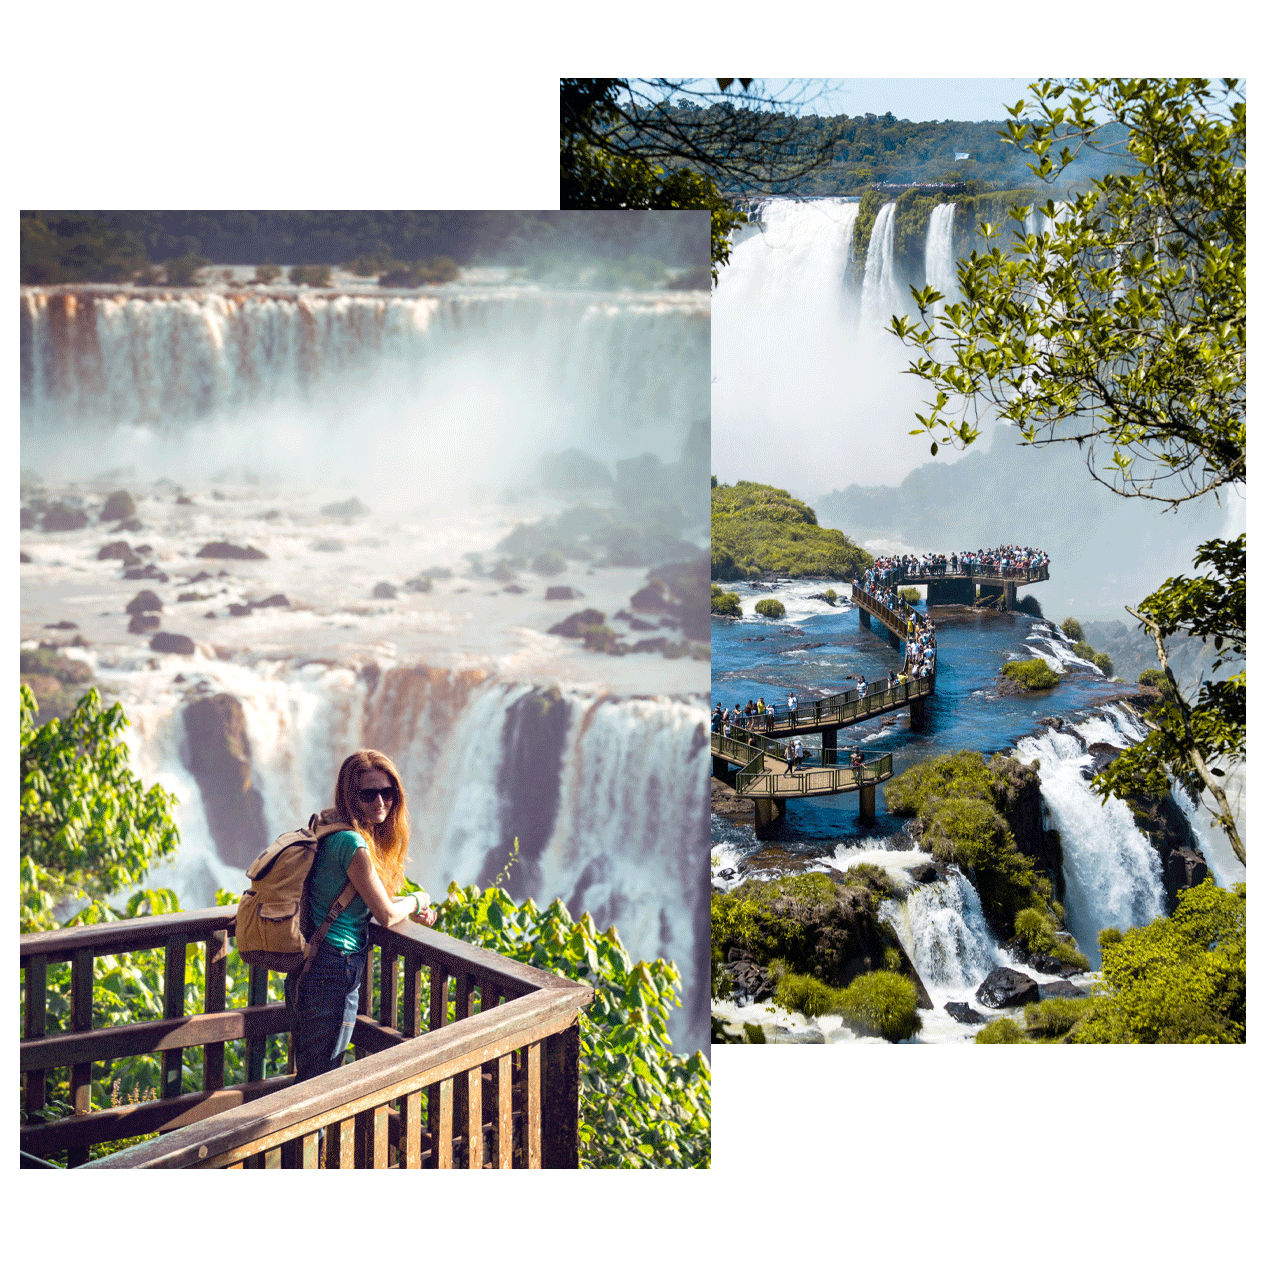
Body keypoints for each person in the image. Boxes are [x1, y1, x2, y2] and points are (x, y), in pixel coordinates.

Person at [286, 750, 435, 1160]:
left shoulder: (326, 824)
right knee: (319, 1087)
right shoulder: (353, 845)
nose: (380, 803)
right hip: (334, 970)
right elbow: (387, 914)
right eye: (369, 794)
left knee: (311, 1079)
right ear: (350, 795)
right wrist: (419, 900)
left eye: (388, 793)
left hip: (311, 966)